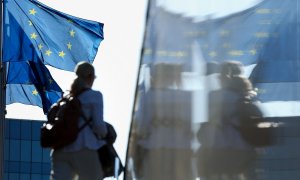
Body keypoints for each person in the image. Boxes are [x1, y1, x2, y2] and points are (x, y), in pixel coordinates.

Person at [197, 61, 257, 180]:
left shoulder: (214, 96)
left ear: (223, 76)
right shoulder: (247, 95)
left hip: (218, 146)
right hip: (243, 147)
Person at [50, 61, 108, 180]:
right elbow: (98, 126)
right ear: (90, 77)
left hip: (60, 150)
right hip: (84, 148)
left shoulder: (66, 99)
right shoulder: (95, 96)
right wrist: (105, 134)